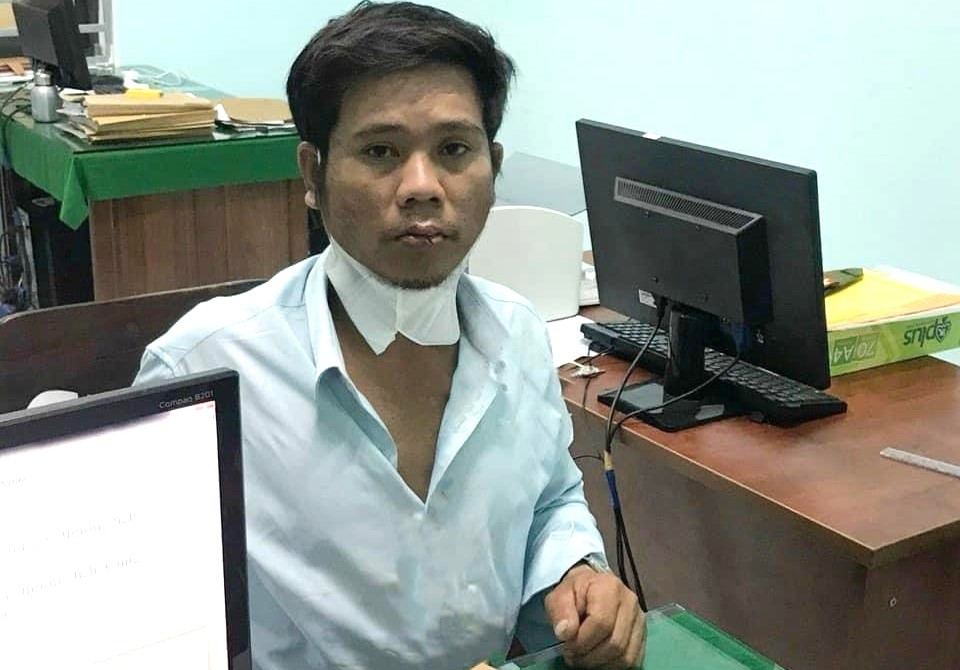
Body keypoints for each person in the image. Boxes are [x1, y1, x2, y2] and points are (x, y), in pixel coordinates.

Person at [134, 2, 645, 668]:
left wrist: (575, 571)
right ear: (312, 174)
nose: (422, 187)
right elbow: (150, 625)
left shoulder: (517, 332)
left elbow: (550, 500)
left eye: (454, 150)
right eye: (381, 151)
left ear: (492, 166)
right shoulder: (204, 371)